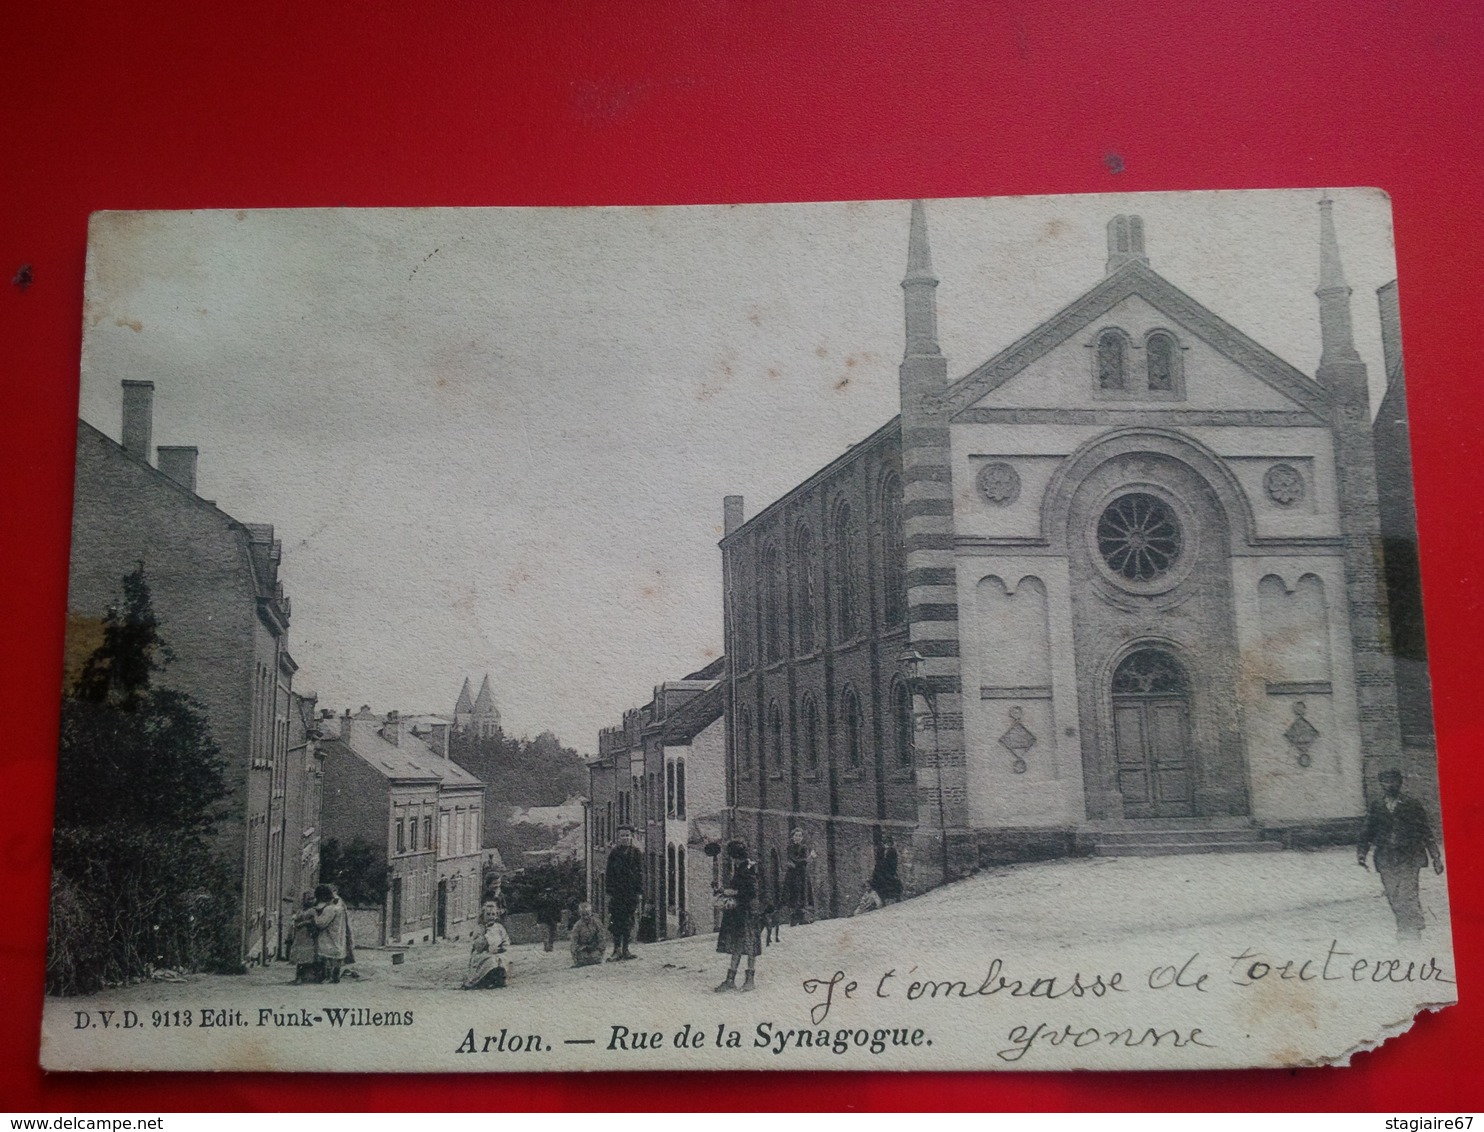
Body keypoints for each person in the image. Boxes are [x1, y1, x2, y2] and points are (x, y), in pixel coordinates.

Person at [1358, 769, 1443, 939]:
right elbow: (1367, 832)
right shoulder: (1376, 806)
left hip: (1409, 856)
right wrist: (1362, 854)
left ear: (1400, 783)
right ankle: (1405, 924)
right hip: (1385, 858)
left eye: (1393, 781)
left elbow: (1425, 831)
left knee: (1407, 892)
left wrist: (1436, 857)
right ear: (1381, 784)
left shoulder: (1412, 804)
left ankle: (1411, 928)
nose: (1389, 785)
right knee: (1392, 894)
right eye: (1385, 781)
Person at [714, 840, 761, 992]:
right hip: (739, 911)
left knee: (749, 944)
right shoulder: (742, 867)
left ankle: (749, 980)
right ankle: (731, 979)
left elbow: (751, 892)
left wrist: (729, 892)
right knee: (738, 944)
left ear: (736, 856)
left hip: (747, 911)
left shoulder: (749, 868)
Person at [604, 826, 644, 961]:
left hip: (630, 893)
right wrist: (609, 892)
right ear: (618, 838)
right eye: (622, 836)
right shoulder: (614, 854)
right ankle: (616, 949)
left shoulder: (636, 853)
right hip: (617, 893)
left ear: (632, 837)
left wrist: (639, 891)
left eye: (627, 835)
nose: (625, 838)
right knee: (616, 921)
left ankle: (626, 949)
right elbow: (609, 874)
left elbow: (640, 874)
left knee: (628, 921)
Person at [853, 834, 903, 916]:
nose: (886, 845)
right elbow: (880, 863)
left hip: (886, 872)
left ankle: (890, 899)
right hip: (881, 872)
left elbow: (892, 864)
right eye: (885, 843)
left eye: (888, 843)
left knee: (888, 883)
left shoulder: (892, 852)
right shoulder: (882, 852)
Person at [465, 905, 512, 989]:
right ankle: (484, 980)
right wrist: (485, 934)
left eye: (493, 914)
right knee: (491, 960)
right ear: (483, 916)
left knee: (501, 959)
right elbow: (478, 947)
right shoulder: (479, 928)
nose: (491, 917)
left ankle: (498, 979)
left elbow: (506, 941)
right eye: (488, 914)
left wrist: (502, 948)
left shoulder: (499, 928)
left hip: (497, 952)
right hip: (482, 953)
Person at [311, 883, 349, 984]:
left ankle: (329, 977)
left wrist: (314, 916)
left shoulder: (329, 909)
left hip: (329, 935)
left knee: (327, 956)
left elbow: (321, 923)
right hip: (337, 934)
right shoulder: (339, 907)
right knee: (336, 956)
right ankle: (336, 976)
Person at [782, 827, 816, 926]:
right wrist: (808, 859)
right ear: (792, 837)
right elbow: (795, 860)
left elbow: (799, 863)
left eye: (800, 836)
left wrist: (801, 862)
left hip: (802, 874)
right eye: (796, 835)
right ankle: (793, 918)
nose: (798, 838)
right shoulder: (790, 847)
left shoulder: (804, 847)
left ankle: (801, 918)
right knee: (793, 894)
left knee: (802, 894)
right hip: (792, 875)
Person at [288, 892, 319, 984]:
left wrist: (304, 923)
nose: (311, 901)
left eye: (312, 898)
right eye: (308, 899)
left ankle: (303, 978)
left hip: (308, 935)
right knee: (299, 956)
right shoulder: (301, 910)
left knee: (305, 956)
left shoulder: (314, 910)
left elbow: (314, 922)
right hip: (300, 935)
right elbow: (296, 918)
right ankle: (298, 977)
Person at [569, 902, 607, 968]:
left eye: (587, 914)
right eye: (583, 915)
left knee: (595, 958)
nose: (586, 917)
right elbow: (574, 941)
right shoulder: (577, 926)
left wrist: (600, 950)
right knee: (583, 960)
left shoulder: (597, 923)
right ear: (580, 914)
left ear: (591, 913)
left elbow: (602, 937)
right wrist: (575, 955)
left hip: (595, 948)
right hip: (583, 949)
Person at [536, 887, 563, 953]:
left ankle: (549, 945)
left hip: (550, 918)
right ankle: (547, 945)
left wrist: (559, 919)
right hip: (546, 918)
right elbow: (539, 911)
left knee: (551, 933)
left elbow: (558, 910)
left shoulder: (554, 900)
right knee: (548, 933)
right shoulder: (544, 901)